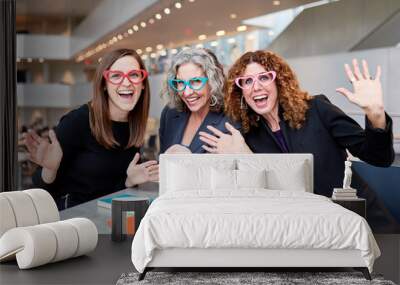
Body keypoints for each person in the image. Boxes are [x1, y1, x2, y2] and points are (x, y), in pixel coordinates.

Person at [199, 50, 394, 198]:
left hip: (355, 220)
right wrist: (245, 156)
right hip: (303, 230)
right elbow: (269, 195)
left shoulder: (317, 109)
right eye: (247, 81)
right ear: (240, 92)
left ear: (280, 82)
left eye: (264, 77)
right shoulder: (248, 136)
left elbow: (380, 158)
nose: (256, 87)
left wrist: (375, 113)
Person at [24, 49, 159, 209]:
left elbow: (108, 191)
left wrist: (129, 181)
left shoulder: (133, 126)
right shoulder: (78, 121)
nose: (126, 82)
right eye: (116, 76)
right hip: (73, 224)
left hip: (106, 220)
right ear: (104, 84)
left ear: (142, 83)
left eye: (134, 75)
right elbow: (41, 188)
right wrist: (49, 169)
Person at [159, 48, 238, 154]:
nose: (187, 93)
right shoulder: (170, 113)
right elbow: (162, 162)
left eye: (196, 81)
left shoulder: (230, 120)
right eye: (180, 83)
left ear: (212, 82)